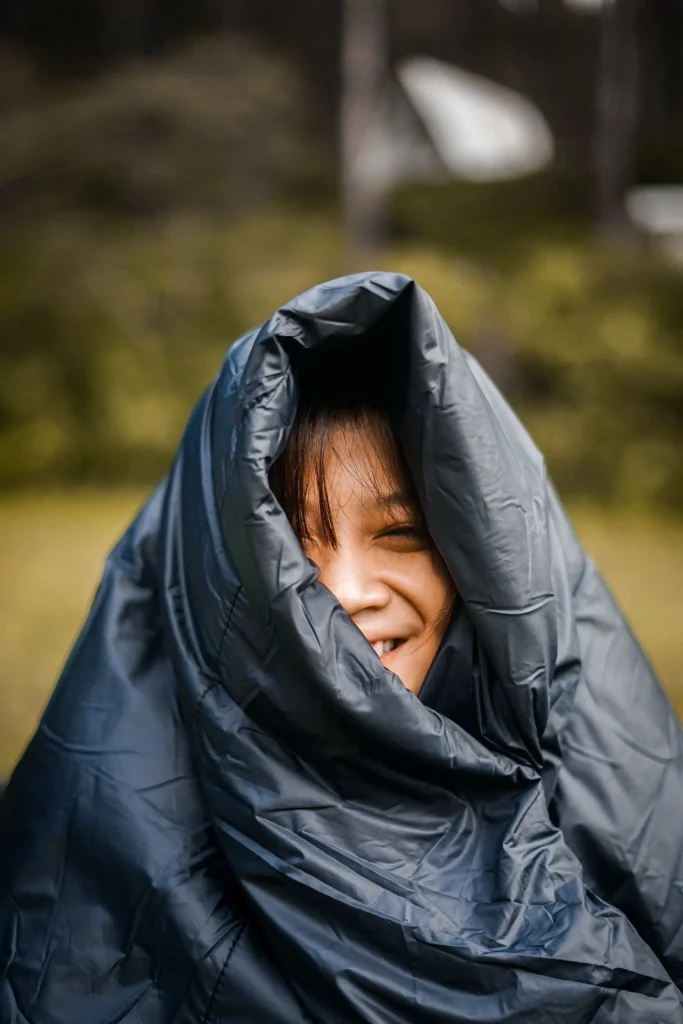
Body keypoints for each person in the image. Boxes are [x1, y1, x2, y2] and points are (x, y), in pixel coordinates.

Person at [1, 272, 683, 1022]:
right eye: (289, 552)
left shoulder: (601, 791)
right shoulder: (107, 851)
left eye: (401, 534)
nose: (349, 590)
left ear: (488, 560)